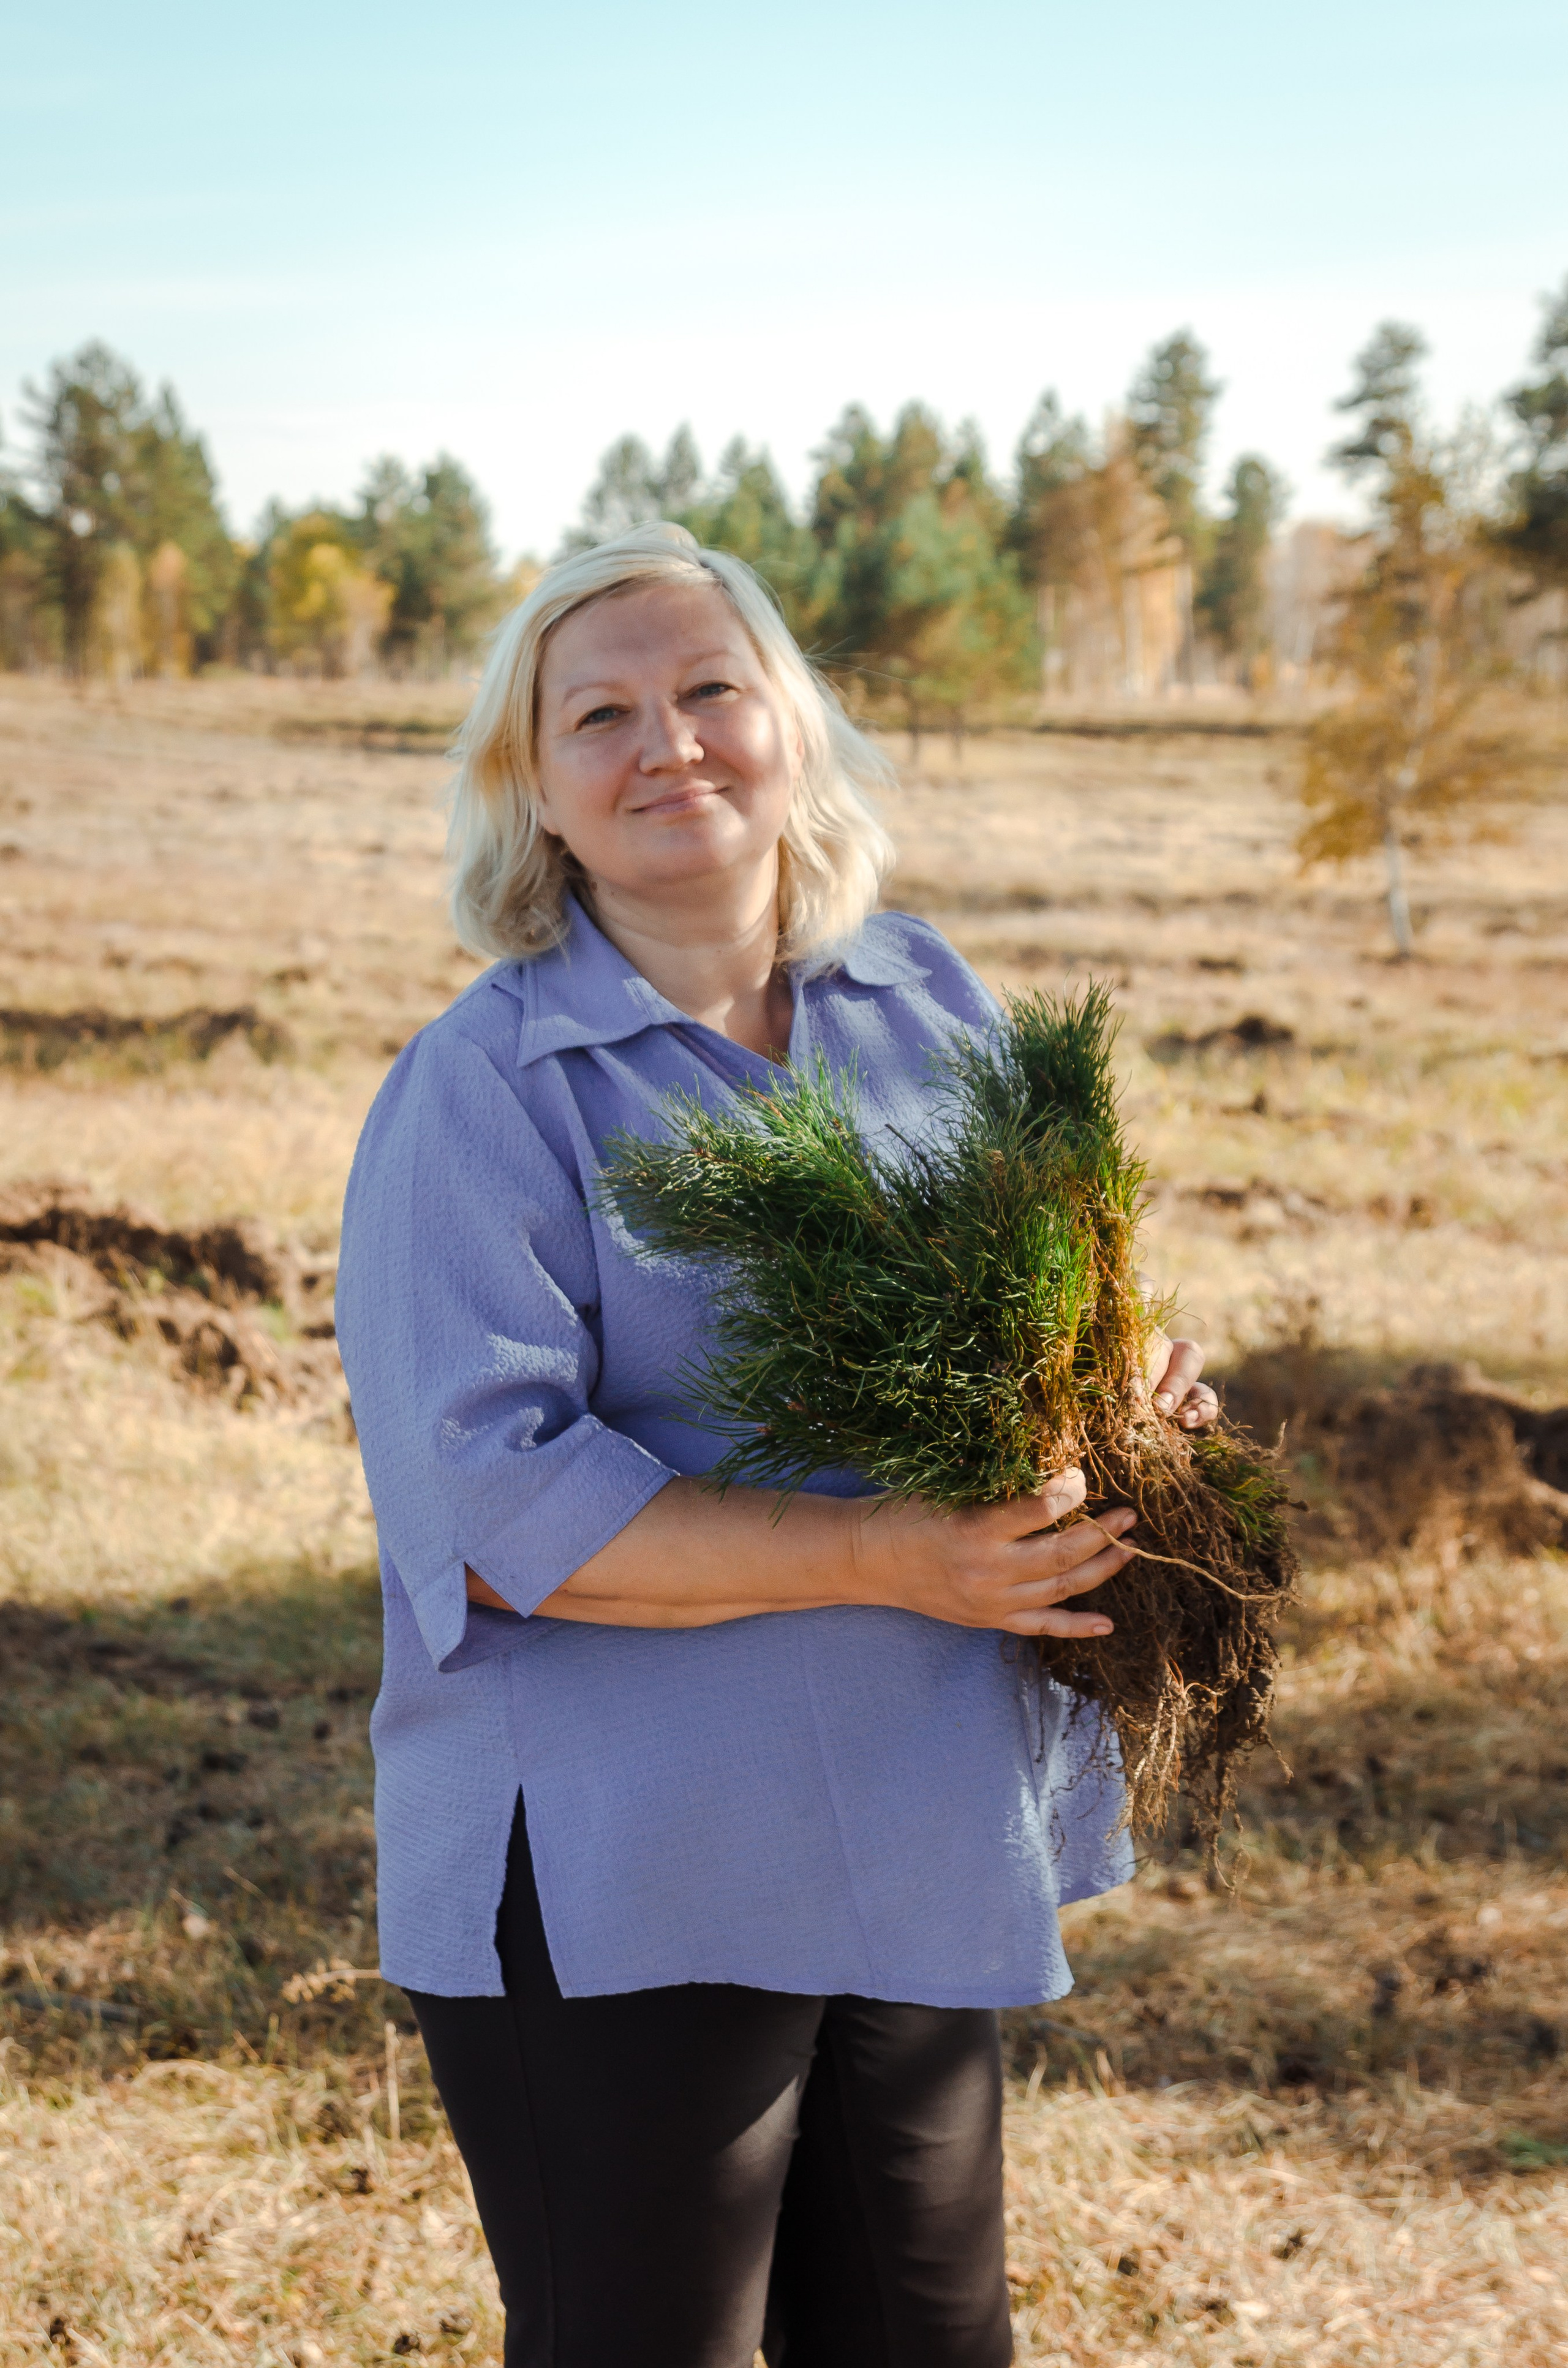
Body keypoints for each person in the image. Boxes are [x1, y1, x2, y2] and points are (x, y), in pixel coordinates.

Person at [334, 522, 1221, 2368]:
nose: (671, 741)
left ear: (793, 727)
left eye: (711, 687)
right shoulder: (484, 1090)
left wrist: (1112, 1403)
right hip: (623, 1863)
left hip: (915, 1819)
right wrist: (888, 1553)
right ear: (539, 794)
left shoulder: (930, 1006)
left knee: (922, 2344)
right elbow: (500, 1514)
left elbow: (1015, 1328)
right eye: (603, 714)